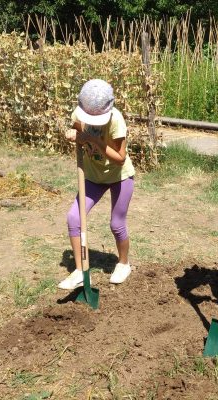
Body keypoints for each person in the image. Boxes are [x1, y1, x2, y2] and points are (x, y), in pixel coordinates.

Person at [58, 79, 135, 289]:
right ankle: (81, 270)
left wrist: (97, 142)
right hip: (93, 176)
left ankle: (123, 263)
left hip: (120, 176)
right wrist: (73, 134)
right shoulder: (78, 115)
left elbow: (120, 158)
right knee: (74, 218)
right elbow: (79, 135)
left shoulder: (116, 120)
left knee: (116, 224)